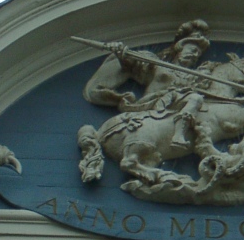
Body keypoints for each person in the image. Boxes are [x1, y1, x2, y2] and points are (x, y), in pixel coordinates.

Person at [82, 20, 212, 147]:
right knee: (194, 97)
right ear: (180, 48)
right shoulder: (158, 65)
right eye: (193, 50)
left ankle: (181, 132)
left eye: (198, 54)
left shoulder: (192, 77)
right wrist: (121, 52)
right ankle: (179, 135)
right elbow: (132, 64)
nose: (195, 55)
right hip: (153, 103)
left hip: (176, 107)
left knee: (196, 99)